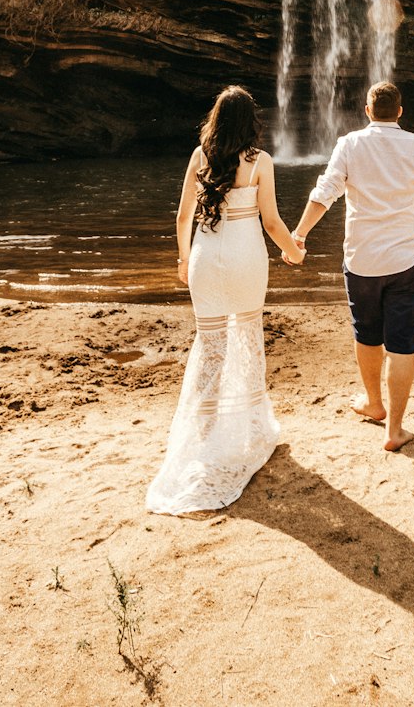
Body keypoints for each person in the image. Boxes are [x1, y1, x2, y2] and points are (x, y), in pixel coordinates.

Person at [146, 85, 305, 515]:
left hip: (205, 258)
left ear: (215, 120)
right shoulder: (259, 162)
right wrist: (294, 251)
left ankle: (203, 432)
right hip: (244, 258)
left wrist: (183, 259)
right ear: (251, 122)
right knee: (248, 339)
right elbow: (271, 222)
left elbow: (183, 216)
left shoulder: (200, 157)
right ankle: (252, 429)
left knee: (211, 346)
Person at [286, 81, 414, 452]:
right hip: (406, 260)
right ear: (400, 111)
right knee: (402, 344)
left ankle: (373, 402)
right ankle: (394, 430)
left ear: (367, 111)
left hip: (362, 259)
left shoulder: (349, 144)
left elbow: (325, 193)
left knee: (366, 333)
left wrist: (298, 234)